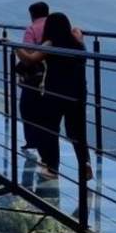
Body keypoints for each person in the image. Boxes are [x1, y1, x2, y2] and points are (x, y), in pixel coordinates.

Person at [15, 12, 93, 182]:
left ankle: (52, 168)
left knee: (50, 129)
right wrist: (75, 30)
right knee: (77, 131)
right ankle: (85, 163)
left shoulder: (50, 44)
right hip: (78, 92)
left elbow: (29, 60)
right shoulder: (78, 42)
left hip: (55, 92)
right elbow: (77, 31)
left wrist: (14, 46)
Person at [18, 2, 50, 153]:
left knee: (27, 107)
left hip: (36, 76)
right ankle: (46, 140)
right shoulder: (57, 29)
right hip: (56, 75)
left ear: (32, 15)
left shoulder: (32, 29)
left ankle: (32, 141)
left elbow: (28, 54)